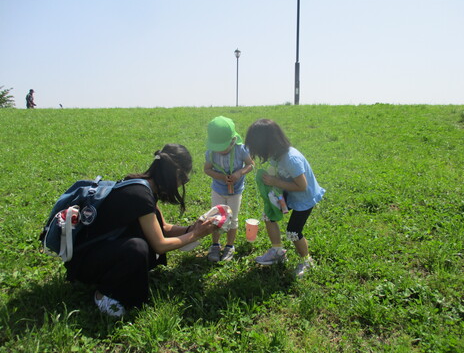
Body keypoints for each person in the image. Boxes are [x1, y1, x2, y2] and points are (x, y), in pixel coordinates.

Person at [64, 144, 219, 317]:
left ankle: (122, 277)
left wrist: (192, 228)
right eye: (184, 179)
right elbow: (160, 244)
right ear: (175, 173)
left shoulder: (142, 185)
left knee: (142, 245)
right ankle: (104, 293)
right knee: (138, 248)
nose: (181, 184)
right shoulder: (141, 195)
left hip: (98, 252)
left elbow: (164, 228)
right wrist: (196, 235)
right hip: (87, 263)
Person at [245, 119, 326, 277]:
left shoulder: (291, 159)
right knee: (269, 215)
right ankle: (277, 251)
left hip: (304, 198)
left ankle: (307, 261)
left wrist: (275, 181)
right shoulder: (276, 155)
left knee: (293, 231)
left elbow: (302, 186)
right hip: (288, 192)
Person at [204, 116, 254, 261]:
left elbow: (250, 164)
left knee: (232, 219)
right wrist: (220, 177)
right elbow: (207, 169)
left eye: (223, 147)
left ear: (233, 141)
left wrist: (239, 173)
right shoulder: (211, 152)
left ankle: (229, 246)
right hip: (218, 190)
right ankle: (215, 245)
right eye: (217, 147)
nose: (221, 151)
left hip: (235, 192)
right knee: (215, 218)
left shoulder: (241, 149)